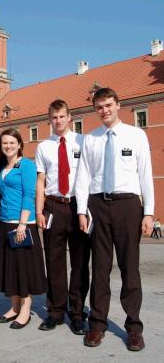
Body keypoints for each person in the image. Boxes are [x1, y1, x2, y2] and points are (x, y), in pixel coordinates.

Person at [76, 87, 154, 351]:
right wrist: (82, 210)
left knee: (130, 268)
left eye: (108, 105)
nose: (104, 111)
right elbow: (83, 177)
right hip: (98, 204)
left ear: (118, 105)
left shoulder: (136, 135)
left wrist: (149, 211)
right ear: (95, 109)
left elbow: (146, 174)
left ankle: (134, 327)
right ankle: (97, 324)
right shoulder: (91, 139)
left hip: (128, 204)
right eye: (99, 107)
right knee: (100, 268)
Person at [35, 99, 90, 334]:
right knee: (54, 261)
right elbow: (40, 181)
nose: (58, 121)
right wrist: (39, 211)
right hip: (53, 205)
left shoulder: (83, 141)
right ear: (50, 120)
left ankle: (77, 312)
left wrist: (86, 209)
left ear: (70, 117)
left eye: (62, 116)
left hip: (78, 205)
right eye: (54, 117)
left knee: (80, 262)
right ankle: (56, 311)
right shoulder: (43, 147)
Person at [0, 128, 46, 329]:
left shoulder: (26, 165)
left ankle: (26, 308)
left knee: (23, 268)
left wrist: (23, 224)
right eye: (5, 143)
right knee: (12, 267)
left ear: (19, 145)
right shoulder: (4, 166)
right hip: (5, 221)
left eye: (12, 143)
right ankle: (14, 306)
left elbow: (29, 194)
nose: (8, 146)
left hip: (22, 223)